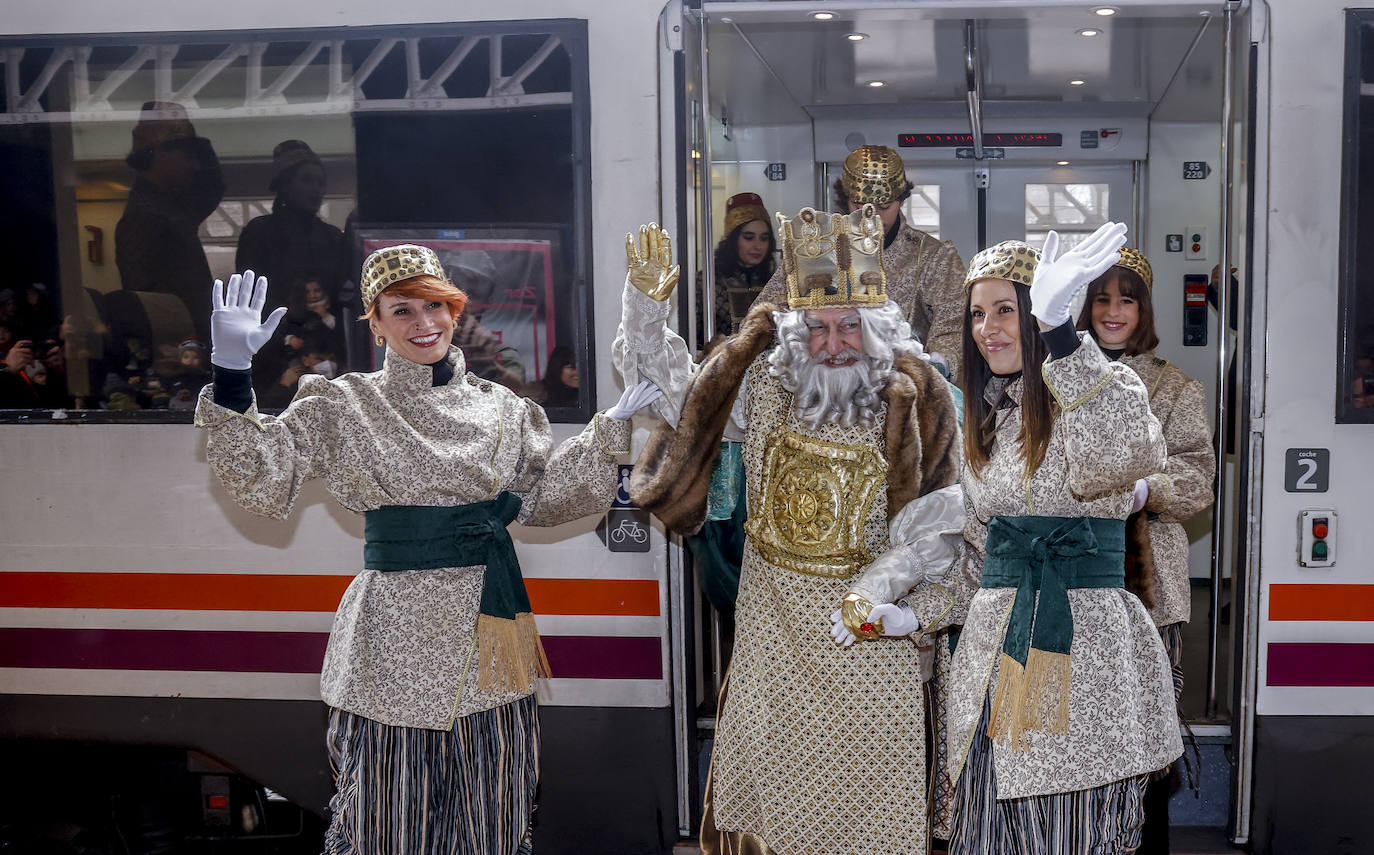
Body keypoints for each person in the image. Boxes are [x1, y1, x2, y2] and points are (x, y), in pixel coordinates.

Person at [193, 245, 660, 854]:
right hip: (390, 649)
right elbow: (261, 474)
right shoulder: (343, 404)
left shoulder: (502, 409)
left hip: (488, 646)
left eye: (435, 306)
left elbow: (545, 499)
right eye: (402, 310)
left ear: (455, 311)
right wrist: (231, 373)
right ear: (376, 322)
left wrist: (608, 431)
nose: (424, 323)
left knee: (491, 822)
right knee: (389, 826)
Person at [614, 209, 964, 855]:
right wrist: (644, 310)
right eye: (819, 327)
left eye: (849, 326)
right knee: (773, 810)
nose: (834, 343)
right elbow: (675, 398)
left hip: (865, 640)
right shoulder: (765, 386)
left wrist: (892, 602)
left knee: (867, 811)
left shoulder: (918, 400)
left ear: (878, 328)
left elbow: (941, 536)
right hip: (773, 636)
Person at [873, 225, 1181, 855]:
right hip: (993, 665)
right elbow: (978, 564)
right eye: (978, 314)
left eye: (1007, 310)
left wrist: (1064, 334)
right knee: (987, 831)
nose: (988, 328)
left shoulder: (1100, 392)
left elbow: (1129, 451)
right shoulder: (987, 424)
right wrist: (914, 615)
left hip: (1085, 664)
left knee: (1072, 835)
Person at [1076, 248, 1215, 854]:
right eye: (1100, 298)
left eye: (1125, 299)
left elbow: (1198, 480)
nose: (1112, 311)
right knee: (1074, 726)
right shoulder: (1054, 377)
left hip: (1146, 587)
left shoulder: (1174, 386)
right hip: (1069, 576)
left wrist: (1143, 489)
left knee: (1148, 730)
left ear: (1144, 308)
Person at [754, 145, 967, 378]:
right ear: (845, 199)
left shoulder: (933, 257)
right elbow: (763, 318)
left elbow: (955, 327)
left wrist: (939, 364)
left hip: (901, 387)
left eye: (884, 207)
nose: (871, 218)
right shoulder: (813, 249)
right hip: (824, 383)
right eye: (859, 206)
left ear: (901, 200)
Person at [115, 101, 225, 345]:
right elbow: (148, 305)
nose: (195, 165)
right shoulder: (145, 216)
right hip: (182, 353)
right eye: (188, 155)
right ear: (161, 153)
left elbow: (211, 190)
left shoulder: (167, 206)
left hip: (190, 346)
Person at [235, 140, 351, 321]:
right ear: (285, 186)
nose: (315, 189)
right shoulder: (258, 234)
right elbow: (249, 296)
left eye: (320, 182)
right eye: (306, 180)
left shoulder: (333, 238)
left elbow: (344, 296)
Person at [698, 192, 777, 348]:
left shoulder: (774, 282)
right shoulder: (707, 282)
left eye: (764, 238)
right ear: (734, 240)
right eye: (749, 237)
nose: (757, 246)